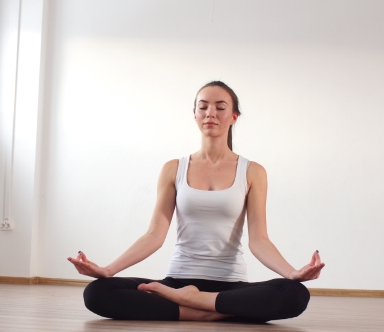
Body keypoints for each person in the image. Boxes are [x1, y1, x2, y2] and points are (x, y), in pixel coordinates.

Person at [67, 81, 325, 322]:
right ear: (195, 115)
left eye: (220, 107)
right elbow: (154, 235)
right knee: (98, 292)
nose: (210, 112)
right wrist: (108, 270)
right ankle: (217, 311)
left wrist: (292, 273)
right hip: (177, 282)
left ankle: (193, 304)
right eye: (203, 107)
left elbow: (259, 240)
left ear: (234, 117)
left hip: (230, 285)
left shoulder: (253, 171)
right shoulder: (173, 168)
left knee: (294, 293)